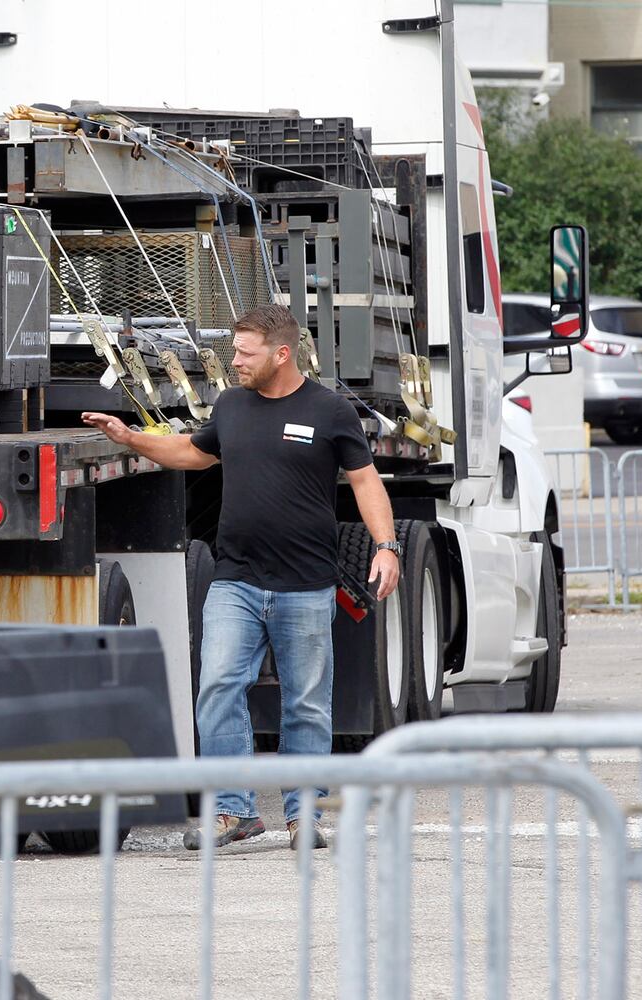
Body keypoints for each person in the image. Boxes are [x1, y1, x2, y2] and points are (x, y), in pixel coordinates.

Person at [81, 304, 399, 850]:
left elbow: (366, 482)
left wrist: (387, 546)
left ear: (281, 353)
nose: (234, 361)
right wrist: (131, 438)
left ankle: (303, 816)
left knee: (305, 702)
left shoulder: (330, 411)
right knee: (219, 686)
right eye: (234, 350)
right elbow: (190, 453)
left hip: (306, 584)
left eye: (244, 353)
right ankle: (234, 811)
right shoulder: (231, 406)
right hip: (237, 580)